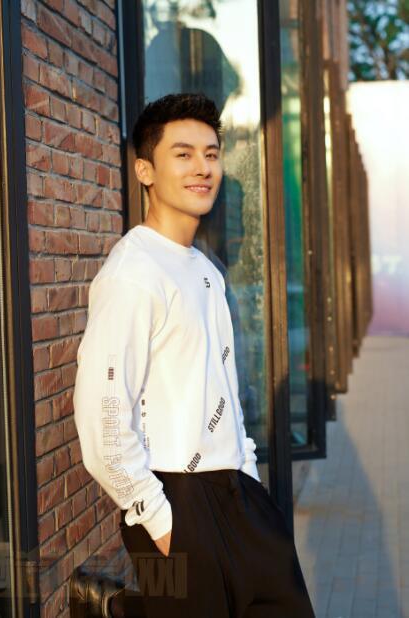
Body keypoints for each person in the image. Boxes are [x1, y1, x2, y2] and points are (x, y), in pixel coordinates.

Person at [73, 93, 314, 617]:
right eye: (182, 154)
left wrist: (248, 478)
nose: (202, 167)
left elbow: (223, 388)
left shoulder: (206, 272)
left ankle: (116, 608)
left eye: (211, 154)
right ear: (145, 170)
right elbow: (102, 417)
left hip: (236, 493)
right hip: (172, 498)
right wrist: (161, 524)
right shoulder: (132, 273)